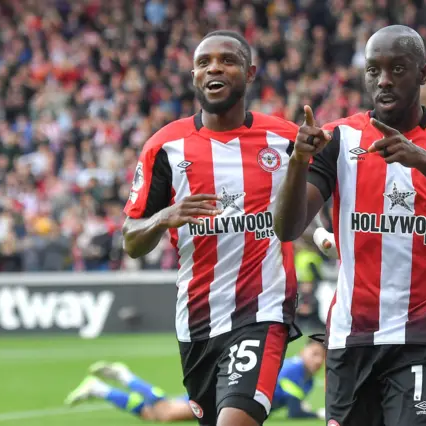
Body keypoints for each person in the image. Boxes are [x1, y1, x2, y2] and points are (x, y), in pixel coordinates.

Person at [274, 25, 426, 426]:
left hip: (422, 337)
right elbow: (288, 228)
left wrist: (423, 159)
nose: (383, 80)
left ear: (423, 74)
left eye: (397, 68)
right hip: (351, 337)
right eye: (373, 70)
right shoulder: (340, 140)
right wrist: (296, 165)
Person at [121, 30, 301, 426]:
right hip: (197, 321)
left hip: (263, 310)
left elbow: (317, 198)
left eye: (227, 60)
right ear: (194, 76)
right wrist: (163, 217)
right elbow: (131, 240)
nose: (214, 67)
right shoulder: (164, 147)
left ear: (250, 73)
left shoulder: (286, 140)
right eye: (204, 62)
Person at [63, 340, 326, 422]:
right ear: (303, 351)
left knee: (152, 413)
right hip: (222, 400)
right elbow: (293, 410)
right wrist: (318, 414)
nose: (316, 361)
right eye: (313, 353)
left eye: (320, 358)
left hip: (228, 404)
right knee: (163, 412)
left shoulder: (308, 382)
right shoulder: (293, 370)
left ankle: (101, 388)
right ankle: (123, 376)